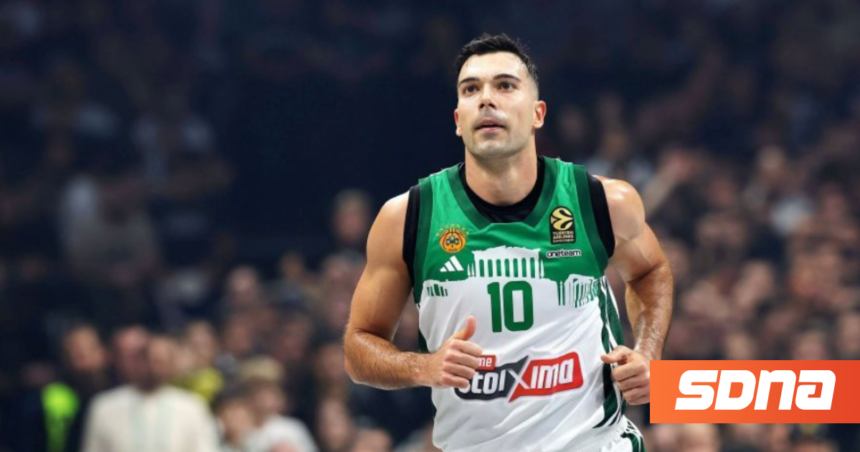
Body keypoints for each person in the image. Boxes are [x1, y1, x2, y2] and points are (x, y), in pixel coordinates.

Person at [344, 34, 673, 451]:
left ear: (538, 114)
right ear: (457, 119)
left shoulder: (602, 202)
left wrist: (647, 353)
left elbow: (650, 270)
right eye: (471, 89)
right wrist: (422, 367)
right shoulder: (407, 218)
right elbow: (358, 347)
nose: (486, 99)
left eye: (504, 85)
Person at [82, 336, 218, 452]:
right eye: (150, 360)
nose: (154, 368)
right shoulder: (105, 406)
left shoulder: (191, 406)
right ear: (139, 361)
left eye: (161, 362)